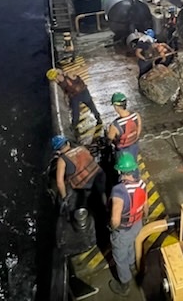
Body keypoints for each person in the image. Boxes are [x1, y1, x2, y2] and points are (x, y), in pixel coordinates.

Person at [108, 152, 148, 296]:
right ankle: (132, 264)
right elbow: (145, 206)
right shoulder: (142, 184)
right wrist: (144, 219)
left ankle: (124, 284)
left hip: (123, 230)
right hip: (137, 224)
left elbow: (115, 220)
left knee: (119, 256)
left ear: (120, 171)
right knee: (132, 245)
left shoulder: (119, 191)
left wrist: (113, 229)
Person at [50, 134, 107, 209]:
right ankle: (106, 207)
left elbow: (60, 183)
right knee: (102, 193)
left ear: (57, 150)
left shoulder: (62, 160)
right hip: (99, 176)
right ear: (68, 143)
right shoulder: (82, 148)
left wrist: (64, 198)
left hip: (86, 185)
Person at [106, 92, 142, 161]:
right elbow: (138, 129)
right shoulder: (136, 115)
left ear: (115, 106)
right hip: (134, 145)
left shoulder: (115, 125)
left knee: (124, 168)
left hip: (122, 151)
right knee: (134, 162)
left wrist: (108, 132)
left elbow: (109, 140)